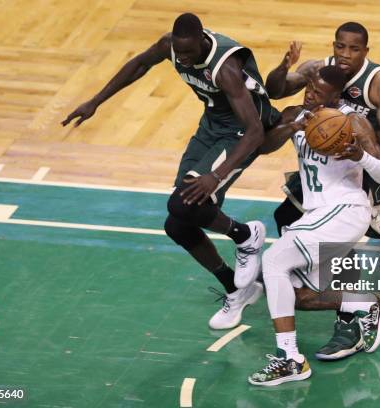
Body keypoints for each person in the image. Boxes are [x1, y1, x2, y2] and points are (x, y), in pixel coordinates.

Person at [62, 13, 282, 330]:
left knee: (182, 203)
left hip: (238, 133)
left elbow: (255, 133)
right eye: (179, 53)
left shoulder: (226, 69)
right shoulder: (172, 45)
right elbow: (139, 64)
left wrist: (216, 176)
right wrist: (96, 101)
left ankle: (246, 235)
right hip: (211, 126)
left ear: (202, 42)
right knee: (177, 225)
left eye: (190, 53)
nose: (183, 59)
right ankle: (238, 289)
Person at [239, 65, 380, 386]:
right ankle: (366, 302)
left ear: (336, 97)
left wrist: (360, 155)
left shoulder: (353, 122)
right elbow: (264, 146)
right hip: (316, 217)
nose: (310, 94)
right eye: (309, 88)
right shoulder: (297, 113)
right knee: (300, 296)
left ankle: (290, 359)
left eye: (319, 93)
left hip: (345, 211)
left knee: (272, 261)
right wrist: (292, 125)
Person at [264, 21, 380, 360]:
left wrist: (346, 134)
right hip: (327, 171)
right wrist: (285, 69)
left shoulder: (379, 84)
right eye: (340, 47)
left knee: (339, 240)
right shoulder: (319, 73)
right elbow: (277, 90)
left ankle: (348, 321)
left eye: (353, 49)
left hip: (367, 169)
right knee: (286, 215)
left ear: (365, 52)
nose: (344, 55)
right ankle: (351, 298)